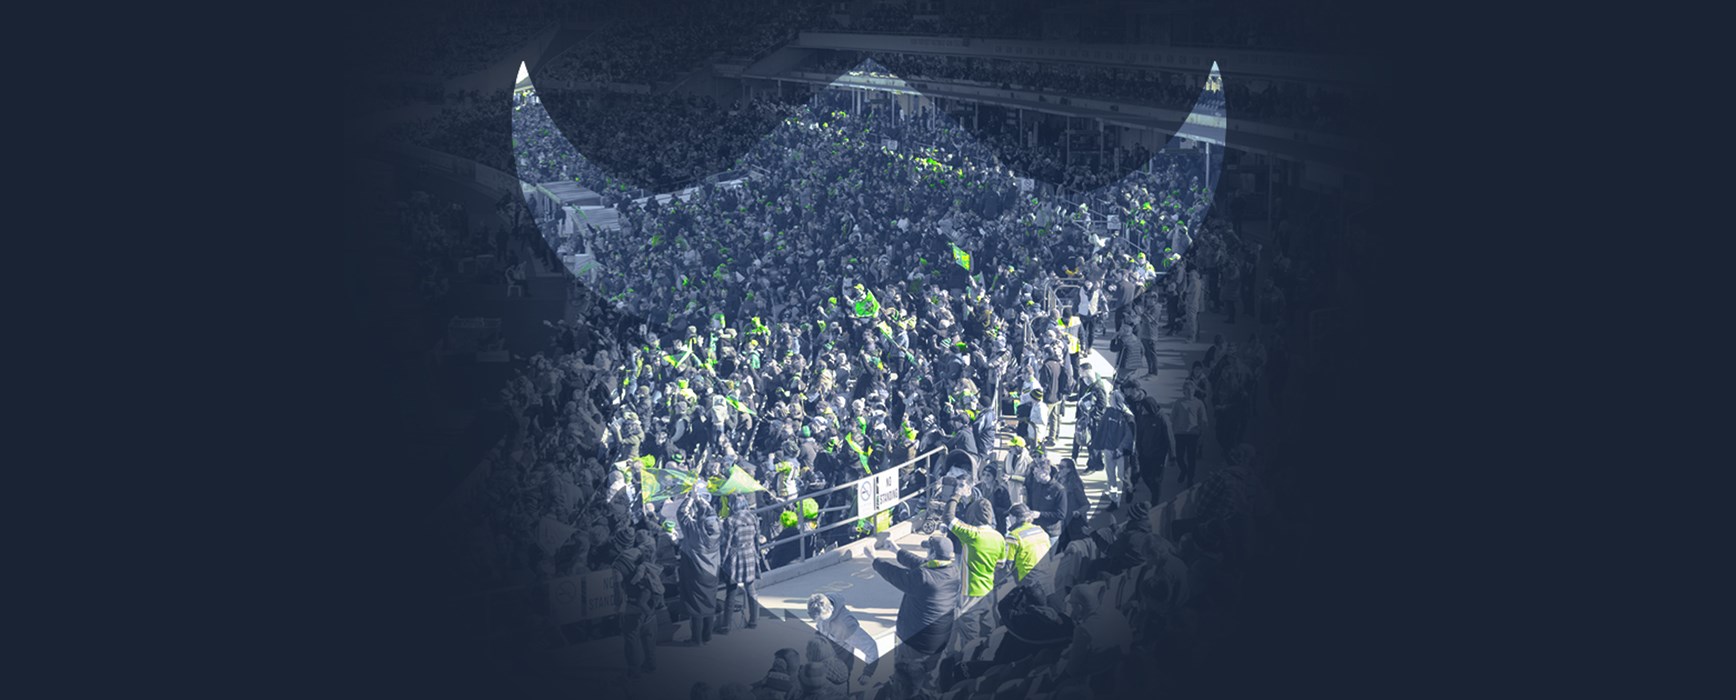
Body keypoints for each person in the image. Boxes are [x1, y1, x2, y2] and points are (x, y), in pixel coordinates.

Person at [870, 535, 961, 699]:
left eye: (928, 550)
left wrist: (874, 559)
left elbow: (896, 575)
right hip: (938, 641)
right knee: (926, 678)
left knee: (905, 682)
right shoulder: (953, 570)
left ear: (933, 554)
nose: (926, 553)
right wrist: (897, 551)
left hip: (915, 643)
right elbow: (921, 564)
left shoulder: (923, 578)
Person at [612, 530, 662, 679]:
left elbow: (619, 590)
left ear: (618, 544)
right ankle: (651, 663)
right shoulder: (642, 551)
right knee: (649, 634)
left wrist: (619, 607)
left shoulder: (617, 565)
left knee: (631, 637)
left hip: (632, 604)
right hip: (650, 600)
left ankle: (634, 670)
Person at [677, 488, 723, 646]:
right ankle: (707, 636)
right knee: (709, 604)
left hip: (696, 572)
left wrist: (690, 498)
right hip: (712, 572)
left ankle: (696, 640)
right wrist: (700, 501)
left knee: (696, 607)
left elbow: (681, 514)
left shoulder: (695, 532)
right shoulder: (717, 530)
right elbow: (712, 515)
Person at [808, 593, 880, 684]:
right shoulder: (821, 603)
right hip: (820, 665)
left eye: (821, 619)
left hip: (837, 673)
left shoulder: (846, 626)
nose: (818, 622)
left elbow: (870, 646)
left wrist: (868, 673)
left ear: (830, 611)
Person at [718, 494, 762, 633]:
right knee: (751, 589)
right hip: (750, 553)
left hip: (735, 557)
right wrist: (757, 554)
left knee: (731, 592)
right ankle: (754, 621)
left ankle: (726, 626)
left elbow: (726, 544)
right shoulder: (753, 517)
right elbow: (757, 539)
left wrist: (722, 561)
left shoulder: (730, 521)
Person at [1169, 380, 1209, 486]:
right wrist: (1172, 432)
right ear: (1183, 391)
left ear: (1194, 390)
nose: (1189, 392)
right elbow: (1172, 418)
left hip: (1193, 434)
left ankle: (1190, 479)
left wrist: (1202, 434)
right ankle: (1183, 470)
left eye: (1191, 389)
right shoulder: (1178, 403)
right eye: (1187, 390)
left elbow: (1203, 420)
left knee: (1191, 459)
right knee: (1179, 457)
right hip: (1180, 434)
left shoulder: (1199, 403)